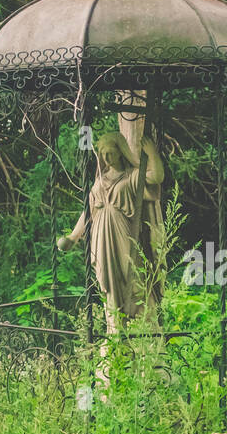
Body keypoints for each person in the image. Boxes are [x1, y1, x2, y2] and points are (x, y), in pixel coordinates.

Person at [58, 130, 163, 330]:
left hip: (123, 233)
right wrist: (73, 236)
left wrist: (151, 154)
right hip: (101, 235)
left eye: (110, 153)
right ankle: (116, 331)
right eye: (103, 154)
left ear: (121, 151)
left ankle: (146, 329)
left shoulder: (132, 176)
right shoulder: (100, 179)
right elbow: (88, 209)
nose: (106, 158)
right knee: (107, 281)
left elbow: (157, 177)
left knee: (132, 276)